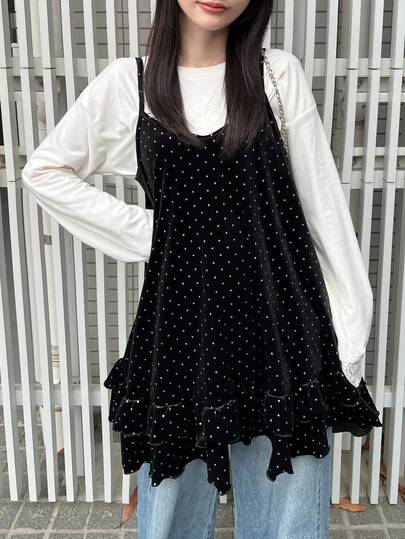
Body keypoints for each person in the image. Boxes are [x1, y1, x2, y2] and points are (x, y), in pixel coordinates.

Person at [22, 1, 382, 537]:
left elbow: (323, 208)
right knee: (170, 516)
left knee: (288, 521)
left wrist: (349, 336)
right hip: (181, 333)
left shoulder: (276, 76)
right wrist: (151, 232)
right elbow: (46, 170)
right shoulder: (131, 85)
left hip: (282, 329)